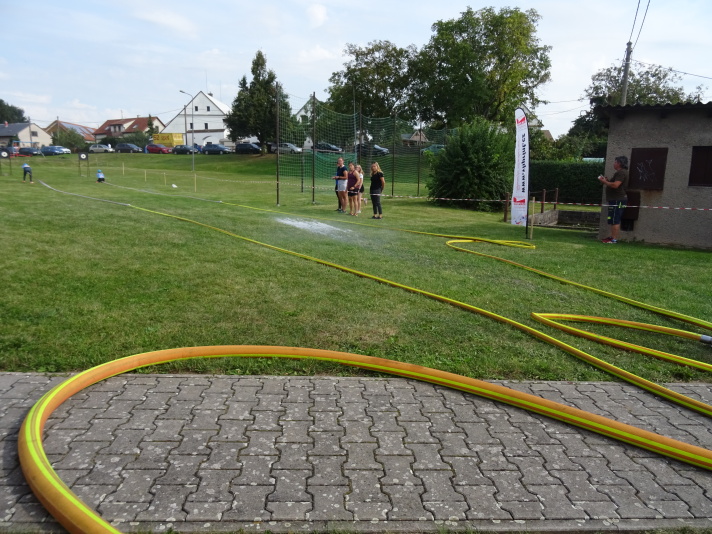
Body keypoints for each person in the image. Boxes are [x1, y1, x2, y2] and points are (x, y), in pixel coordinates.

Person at [598, 155, 629, 244]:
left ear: (619, 163)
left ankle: (614, 239)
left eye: (615, 162)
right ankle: (612, 237)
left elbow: (615, 185)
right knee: (612, 218)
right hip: (615, 199)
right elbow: (613, 183)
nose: (614, 164)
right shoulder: (620, 172)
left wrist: (604, 181)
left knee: (615, 219)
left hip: (617, 199)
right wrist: (607, 181)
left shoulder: (621, 173)